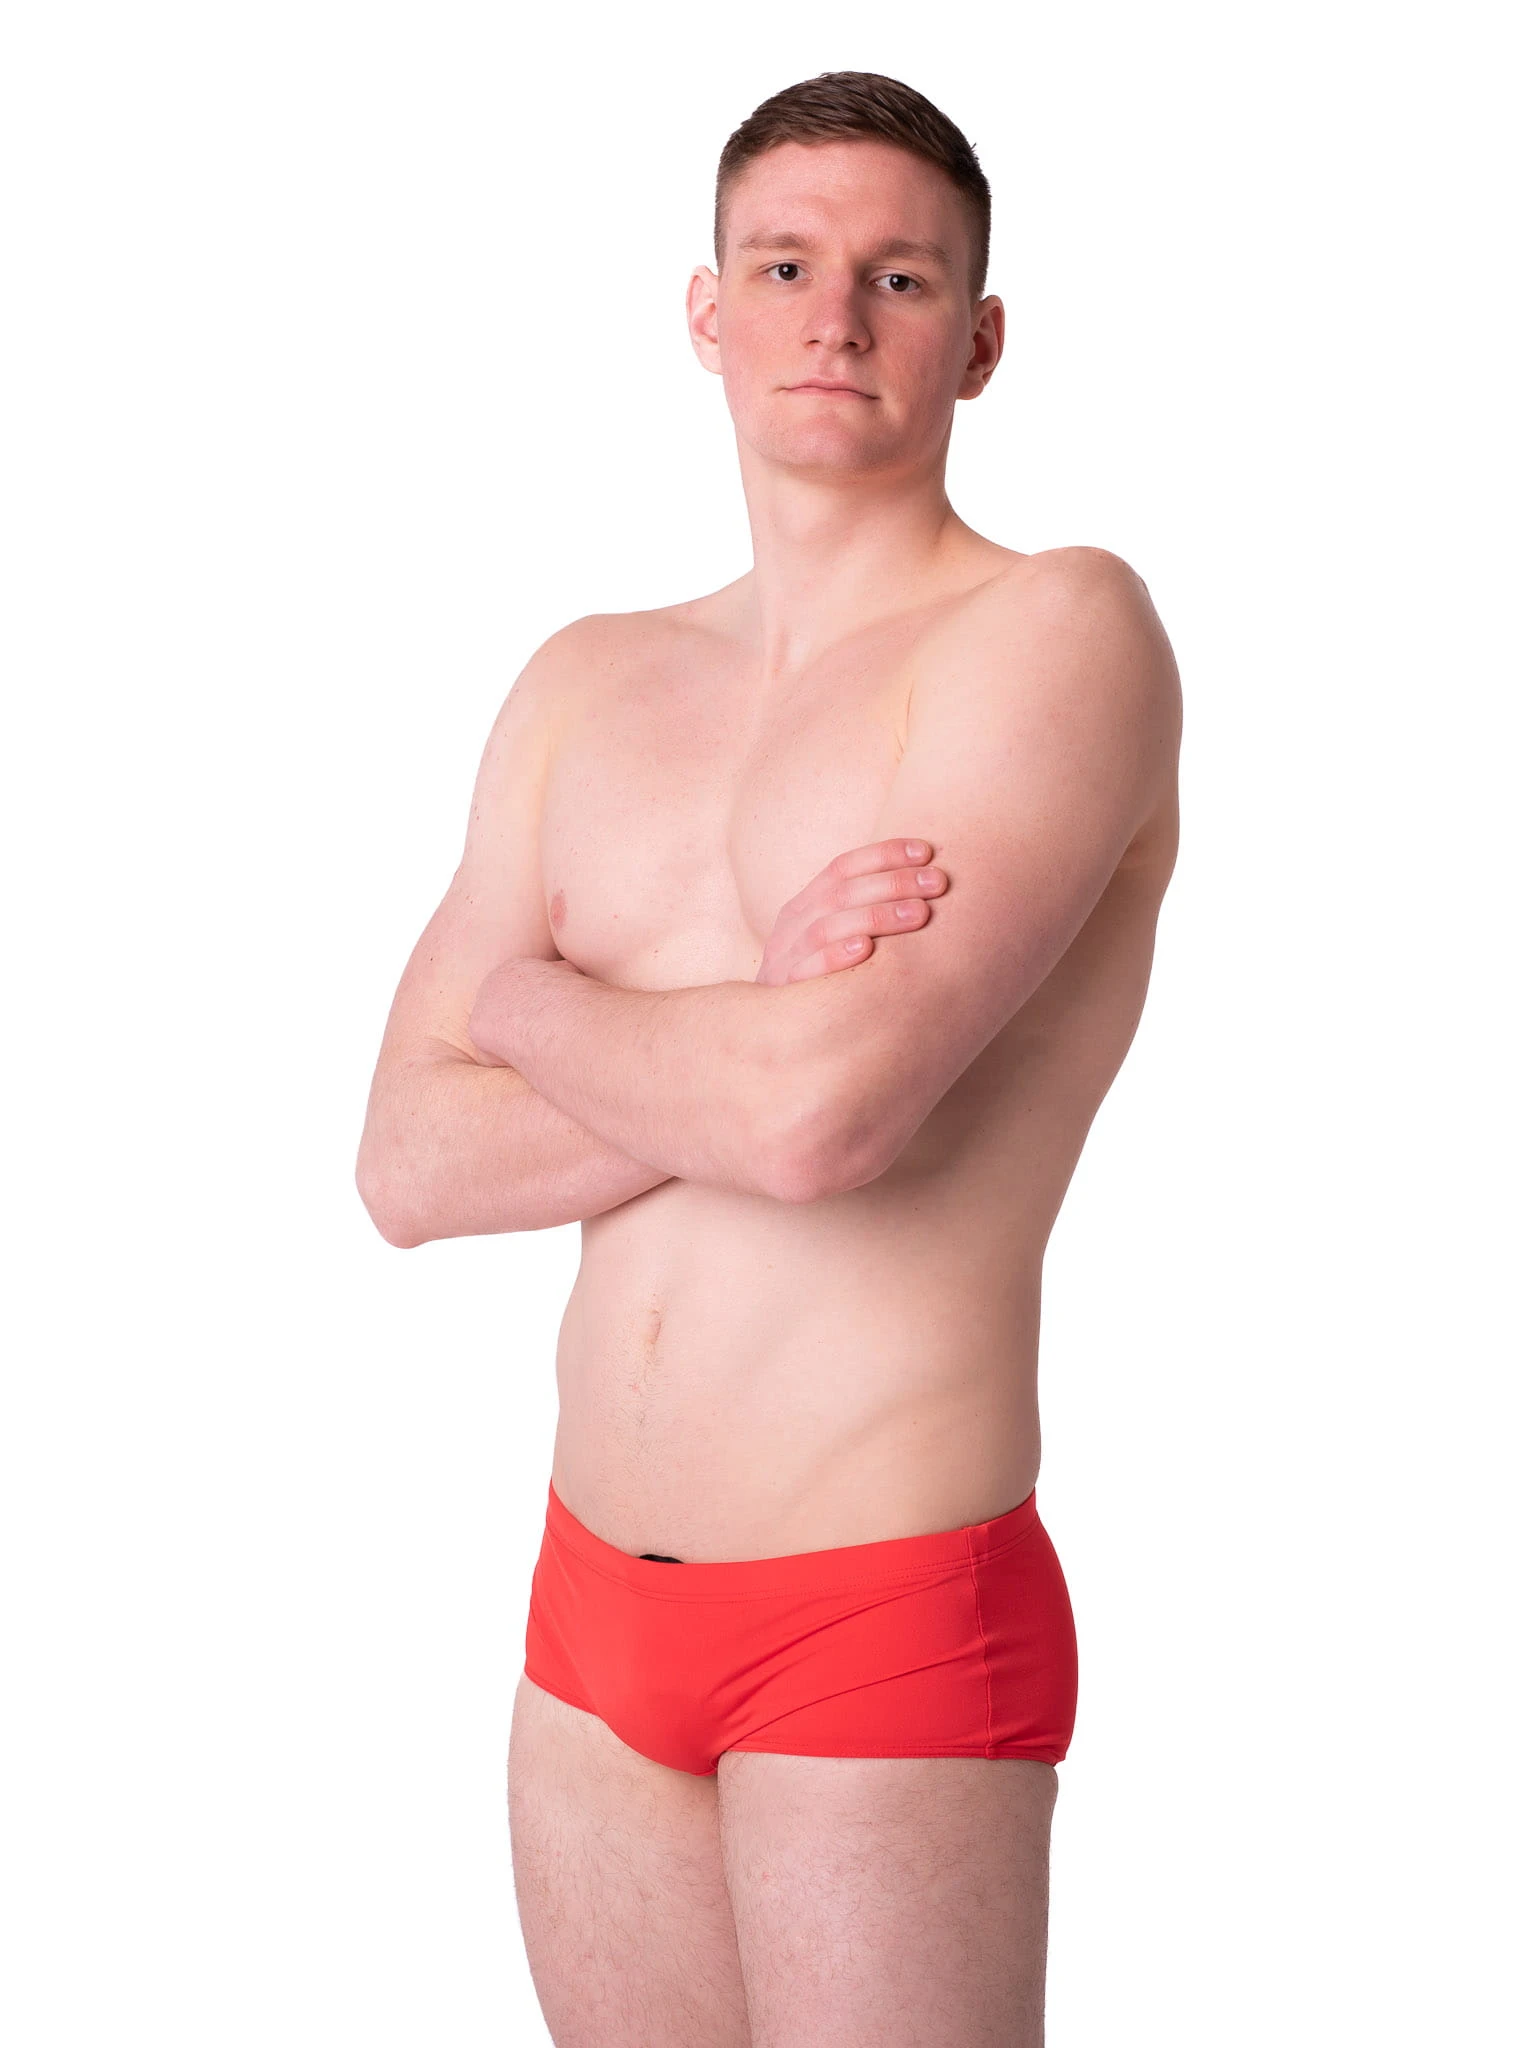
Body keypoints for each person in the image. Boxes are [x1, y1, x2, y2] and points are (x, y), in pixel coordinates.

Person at [357, 68, 1181, 2048]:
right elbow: (404, 1163)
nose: (835, 318)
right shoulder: (586, 680)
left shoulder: (1056, 634)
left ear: (979, 339)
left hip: (875, 1601)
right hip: (586, 1615)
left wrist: (532, 1005)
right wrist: (737, 1022)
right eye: (787, 266)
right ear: (705, 312)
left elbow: (819, 1121)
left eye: (901, 278)